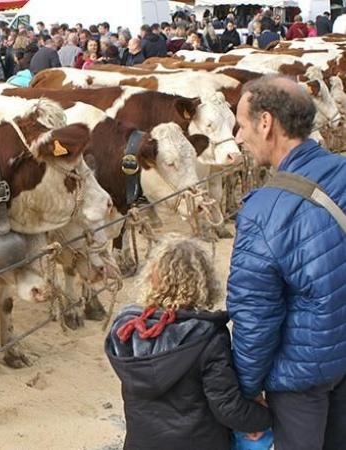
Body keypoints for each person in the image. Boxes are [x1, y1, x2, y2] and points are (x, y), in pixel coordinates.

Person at [229, 75, 346, 450]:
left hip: (301, 380)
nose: (237, 137)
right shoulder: (342, 170)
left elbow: (255, 317)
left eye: (242, 124)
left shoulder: (262, 212)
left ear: (266, 124)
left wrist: (247, 389)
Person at [106, 235, 272, 450]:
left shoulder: (131, 331)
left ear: (151, 279)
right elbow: (227, 407)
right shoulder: (207, 337)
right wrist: (267, 417)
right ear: (204, 283)